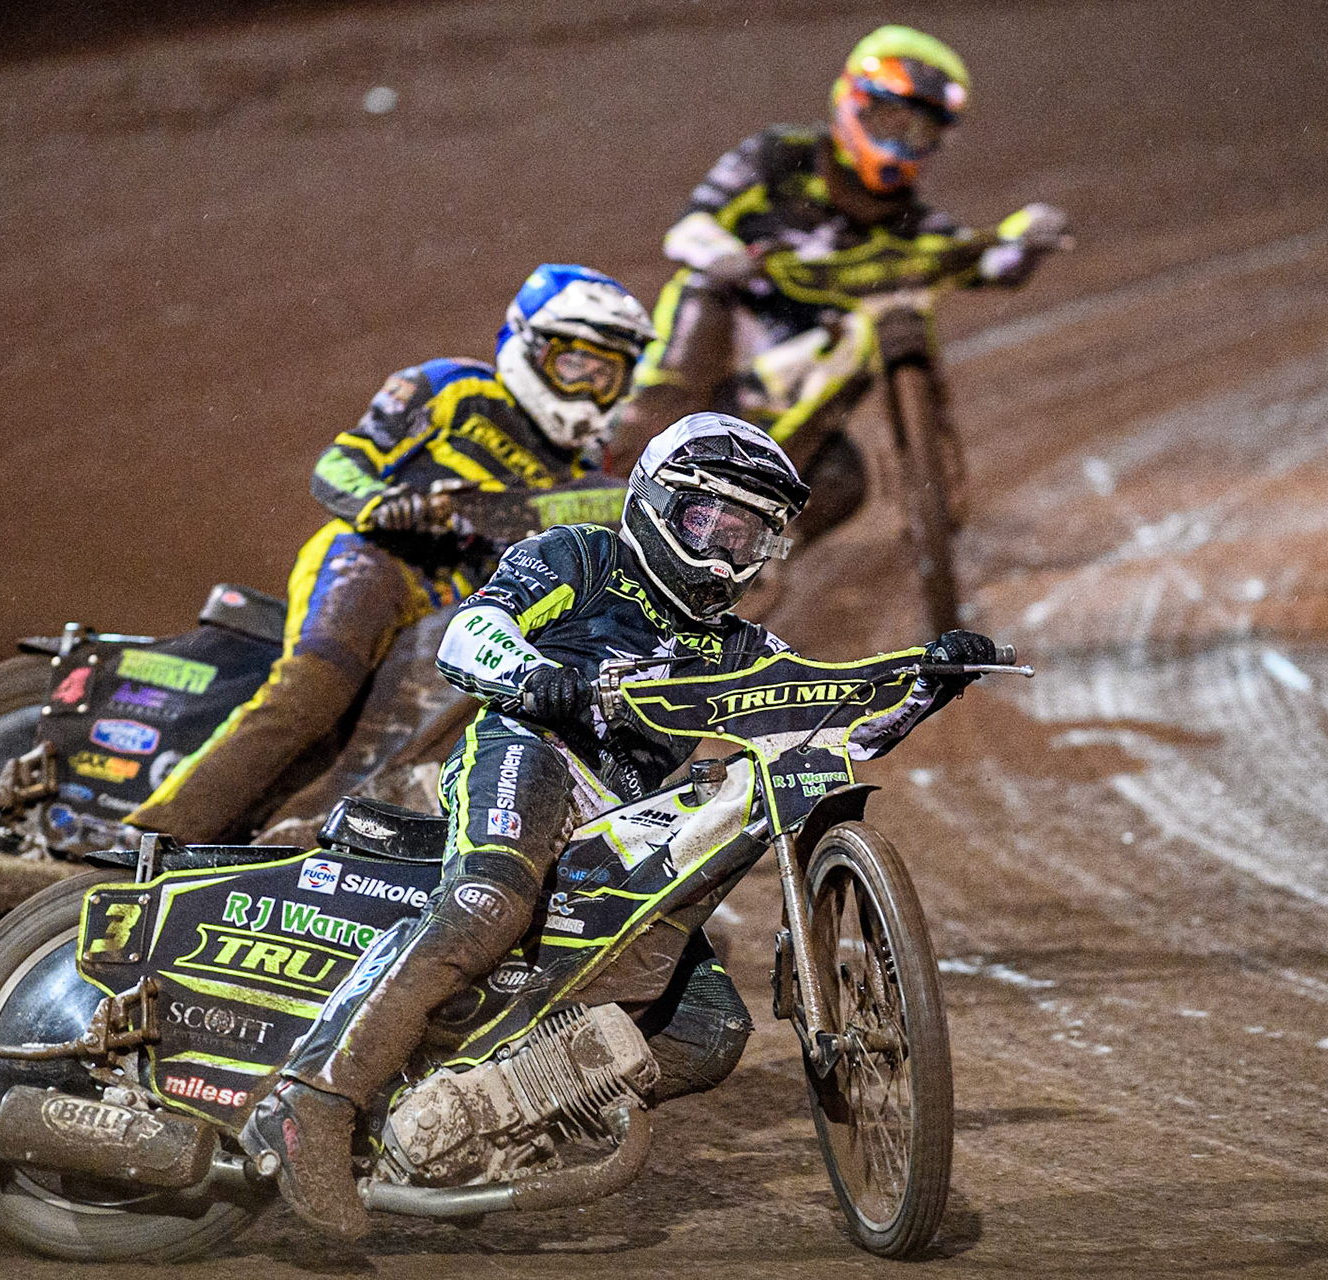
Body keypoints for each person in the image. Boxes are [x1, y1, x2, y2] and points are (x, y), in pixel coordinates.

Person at [242, 411, 1000, 1239]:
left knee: (707, 1031)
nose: (724, 554)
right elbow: (471, 632)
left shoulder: (739, 647)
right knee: (488, 903)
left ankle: (478, 1118)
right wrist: (531, 676)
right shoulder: (582, 558)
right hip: (528, 751)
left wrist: (923, 689)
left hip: (625, 820)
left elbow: (826, 726)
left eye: (748, 536)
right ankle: (310, 1103)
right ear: (656, 503)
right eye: (709, 522)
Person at [125, 265, 656, 844]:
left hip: (454, 611)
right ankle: (146, 835)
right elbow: (338, 465)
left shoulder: (585, 479)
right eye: (575, 364)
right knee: (310, 693)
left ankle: (276, 853)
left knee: (386, 750)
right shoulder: (453, 387)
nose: (588, 389)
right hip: (375, 562)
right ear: (528, 344)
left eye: (606, 375)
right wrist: (380, 503)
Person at [607, 24, 1068, 550]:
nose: (902, 142)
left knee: (842, 482)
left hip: (804, 370)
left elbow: (983, 262)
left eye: (921, 132)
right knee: (693, 319)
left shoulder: (910, 223)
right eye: (890, 120)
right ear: (852, 104)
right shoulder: (778, 158)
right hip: (736, 328)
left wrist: (1027, 236)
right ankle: (612, 499)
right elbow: (691, 223)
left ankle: (750, 559)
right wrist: (726, 256)